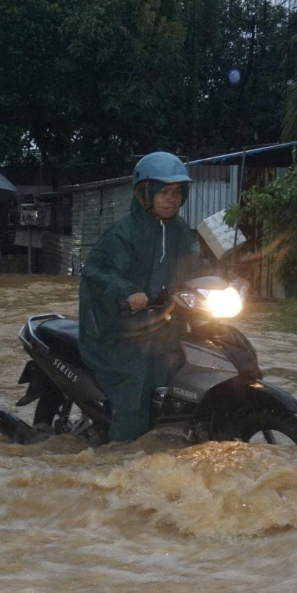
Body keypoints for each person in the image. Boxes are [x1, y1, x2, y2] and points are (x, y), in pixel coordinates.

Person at [78, 152, 207, 443]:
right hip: (122, 332)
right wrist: (128, 293)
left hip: (165, 326)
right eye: (163, 192)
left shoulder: (181, 232)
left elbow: (196, 267)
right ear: (144, 194)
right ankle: (121, 457)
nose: (171, 199)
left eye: (177, 192)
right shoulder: (123, 233)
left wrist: (226, 281)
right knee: (135, 386)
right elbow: (98, 272)